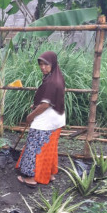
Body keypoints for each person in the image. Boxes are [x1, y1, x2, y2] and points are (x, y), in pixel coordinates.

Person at [17, 51, 65, 187]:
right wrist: (37, 105)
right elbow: (50, 99)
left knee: (35, 147)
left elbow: (46, 104)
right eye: (41, 64)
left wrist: (31, 116)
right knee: (49, 148)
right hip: (56, 119)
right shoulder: (56, 76)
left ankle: (32, 178)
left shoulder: (52, 82)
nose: (43, 67)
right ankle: (49, 174)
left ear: (53, 64)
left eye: (46, 64)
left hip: (46, 121)